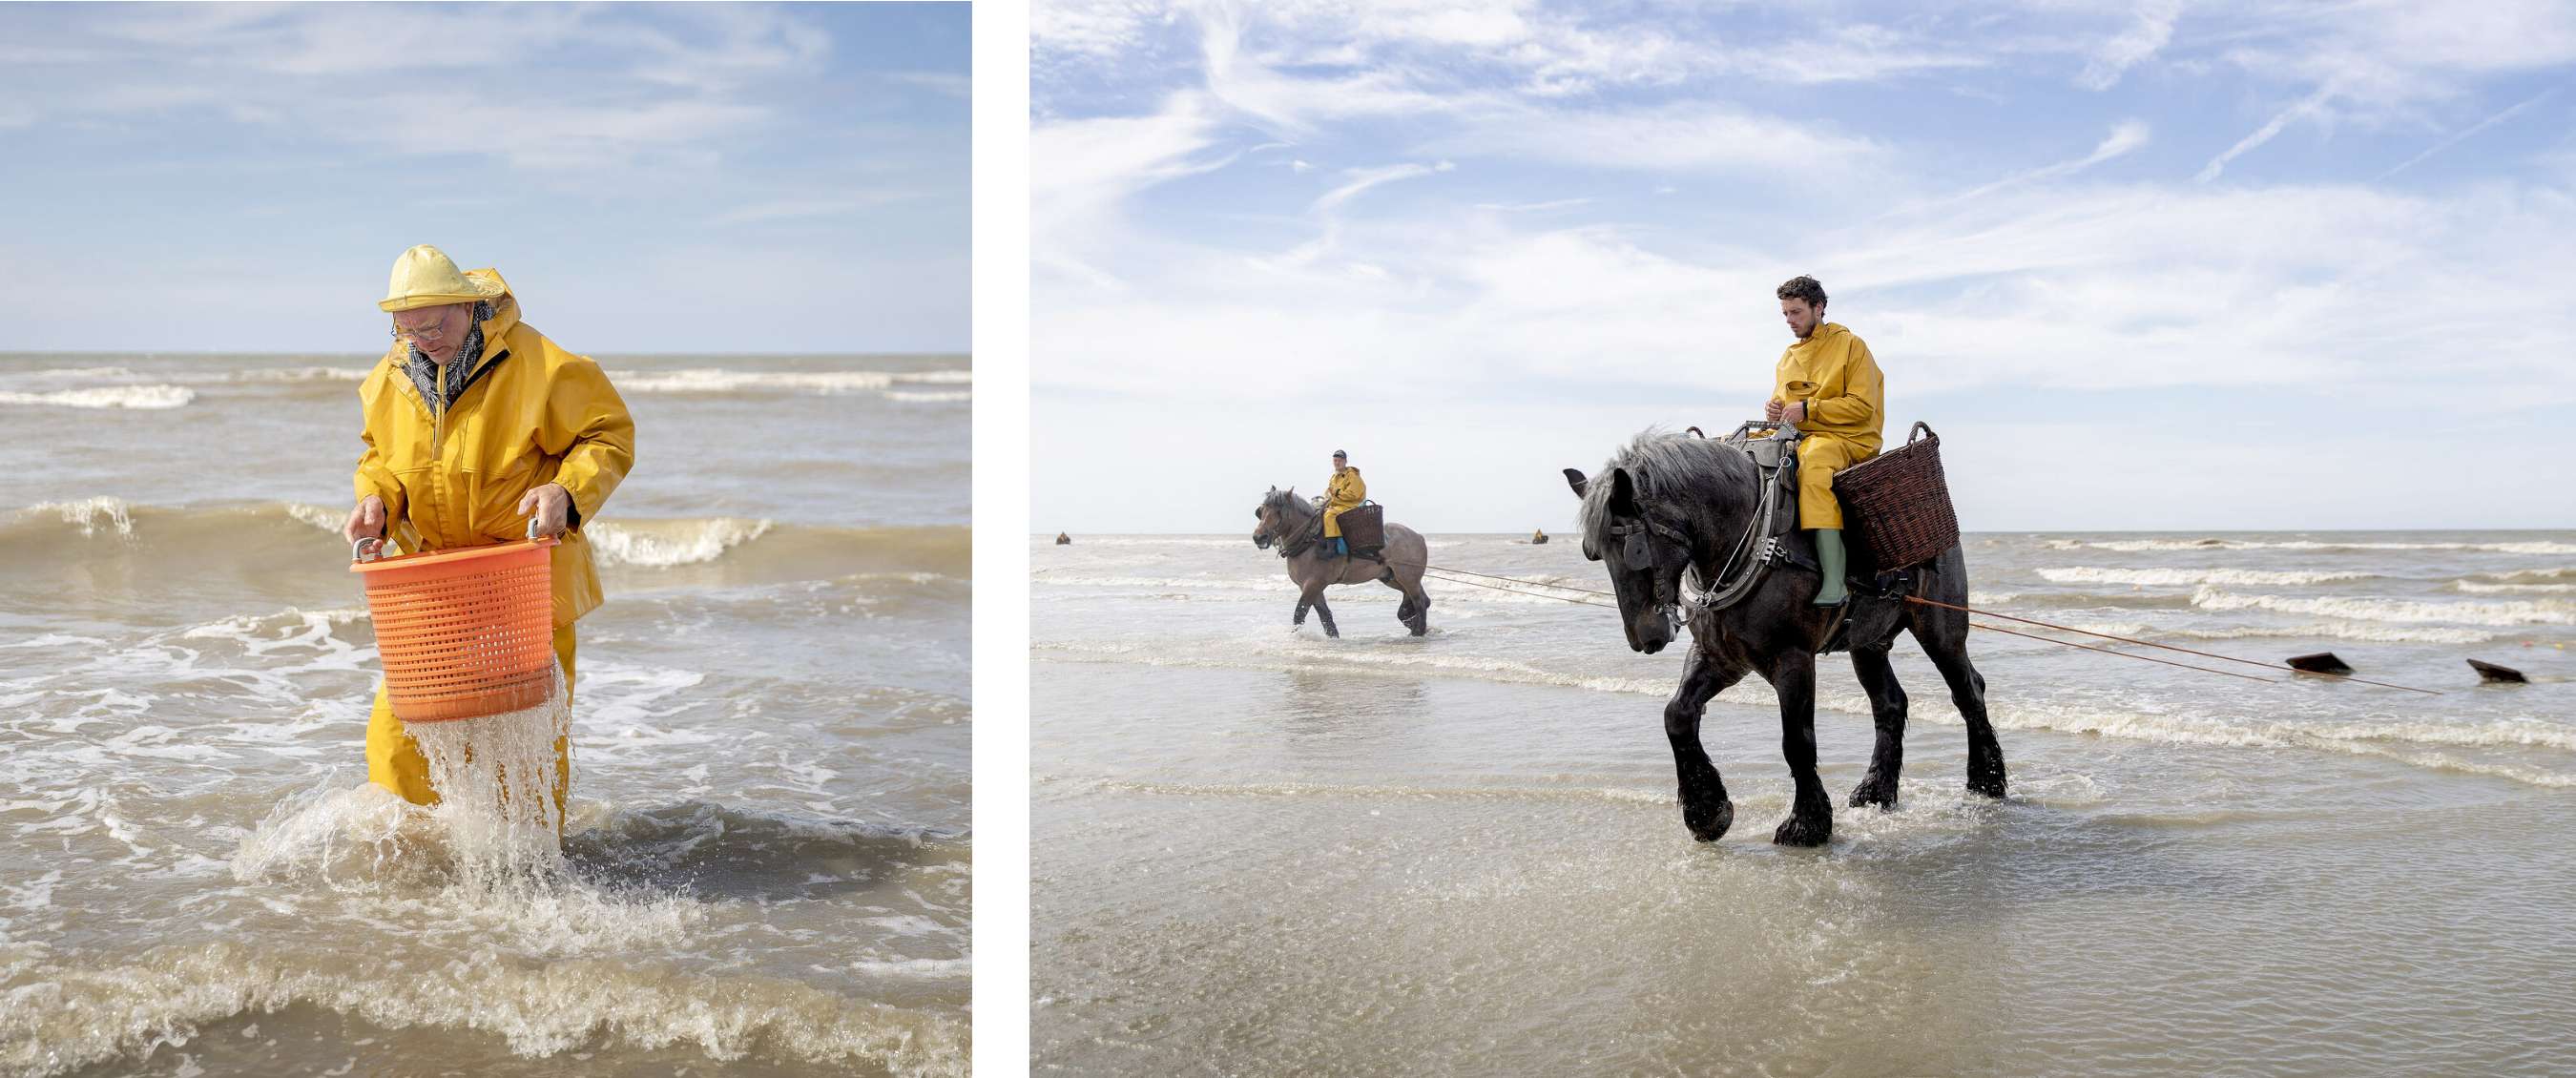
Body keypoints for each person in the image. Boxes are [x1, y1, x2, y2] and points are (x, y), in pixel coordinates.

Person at [341, 244, 635, 822]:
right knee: (402, 738)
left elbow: (608, 436)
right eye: (408, 328)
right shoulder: (386, 380)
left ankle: (528, 868)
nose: (423, 338)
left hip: (524, 576)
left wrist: (567, 493)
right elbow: (380, 456)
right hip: (435, 587)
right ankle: (415, 877)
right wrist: (376, 499)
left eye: (433, 323)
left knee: (523, 748)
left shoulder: (541, 363)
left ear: (468, 305)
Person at [1762, 275, 1882, 606]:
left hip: (1849, 437)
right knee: (1743, 451)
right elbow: (1784, 404)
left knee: (1813, 463)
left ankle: (1835, 579)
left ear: (1819, 307)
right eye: (1785, 313)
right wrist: (1775, 410)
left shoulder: (1852, 346)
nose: (1789, 320)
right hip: (1803, 436)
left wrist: (1808, 408)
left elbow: (1862, 407)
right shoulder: (1787, 357)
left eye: (1796, 312)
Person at [1320, 449, 1365, 558]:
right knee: (1319, 512)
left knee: (1329, 515)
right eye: (1335, 460)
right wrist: (1324, 500)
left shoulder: (1352, 476)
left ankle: (1331, 548)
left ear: (1345, 461)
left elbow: (1352, 495)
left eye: (1340, 460)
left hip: (1351, 506)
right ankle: (1323, 541)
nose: (1337, 463)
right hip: (1338, 505)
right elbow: (1328, 492)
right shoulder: (1334, 477)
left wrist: (1336, 492)